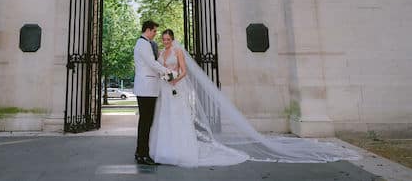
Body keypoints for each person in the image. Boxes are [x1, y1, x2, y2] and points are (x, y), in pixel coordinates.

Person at [148, 29, 360, 167]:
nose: (166, 42)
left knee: (179, 119)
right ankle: (165, 150)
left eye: (168, 39)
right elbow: (159, 67)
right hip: (166, 90)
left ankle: (182, 150)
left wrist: (175, 79)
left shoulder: (178, 52)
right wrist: (164, 76)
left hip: (176, 87)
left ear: (173, 39)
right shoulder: (161, 53)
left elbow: (184, 71)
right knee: (165, 119)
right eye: (163, 39)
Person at [133, 20, 169, 165]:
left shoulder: (143, 43)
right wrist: (168, 72)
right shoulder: (143, 44)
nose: (155, 34)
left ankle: (139, 152)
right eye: (154, 31)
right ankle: (143, 155)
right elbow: (152, 63)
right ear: (148, 30)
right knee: (146, 122)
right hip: (146, 88)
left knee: (145, 122)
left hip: (147, 88)